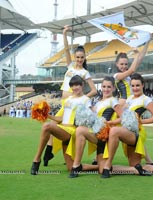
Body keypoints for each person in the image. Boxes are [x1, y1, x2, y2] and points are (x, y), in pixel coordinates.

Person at [101, 73, 153, 178]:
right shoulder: (130, 98)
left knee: (114, 131)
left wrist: (141, 122)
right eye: (133, 85)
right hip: (127, 132)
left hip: (136, 132)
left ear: (143, 85)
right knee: (135, 166)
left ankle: (107, 165)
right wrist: (110, 122)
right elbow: (124, 117)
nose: (135, 88)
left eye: (137, 85)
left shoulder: (146, 100)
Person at [43, 25, 97, 167]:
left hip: (72, 105)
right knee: (55, 126)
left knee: (54, 125)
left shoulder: (85, 73)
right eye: (77, 57)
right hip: (65, 103)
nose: (79, 59)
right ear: (75, 57)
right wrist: (64, 33)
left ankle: (49, 151)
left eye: (81, 57)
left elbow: (94, 90)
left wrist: (81, 99)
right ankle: (50, 151)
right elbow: (66, 49)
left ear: (85, 58)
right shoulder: (70, 66)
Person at [31, 75, 91, 175]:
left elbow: (87, 118)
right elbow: (62, 118)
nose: (75, 87)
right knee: (70, 167)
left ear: (82, 85)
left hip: (73, 131)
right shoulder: (68, 100)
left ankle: (36, 160)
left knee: (47, 126)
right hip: (64, 130)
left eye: (77, 85)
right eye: (72, 85)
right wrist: (47, 115)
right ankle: (99, 167)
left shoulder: (86, 100)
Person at [113, 36, 153, 166]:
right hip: (122, 108)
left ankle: (149, 161)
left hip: (132, 107)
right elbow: (133, 68)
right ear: (116, 65)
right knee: (111, 132)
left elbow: (140, 59)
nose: (124, 66)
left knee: (136, 134)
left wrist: (147, 42)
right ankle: (101, 157)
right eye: (121, 64)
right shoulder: (117, 76)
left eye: (126, 64)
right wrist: (135, 55)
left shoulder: (131, 76)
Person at [69, 76, 120, 178]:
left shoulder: (113, 101)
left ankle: (76, 165)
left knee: (80, 130)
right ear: (101, 87)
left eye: (109, 87)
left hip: (104, 135)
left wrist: (109, 123)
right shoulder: (97, 102)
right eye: (104, 86)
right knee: (102, 169)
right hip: (97, 135)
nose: (106, 89)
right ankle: (78, 165)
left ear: (113, 88)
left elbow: (123, 118)